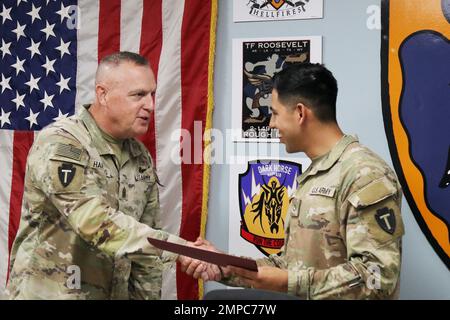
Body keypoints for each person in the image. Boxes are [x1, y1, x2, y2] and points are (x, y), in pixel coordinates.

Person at [6, 52, 212, 300]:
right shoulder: (63, 143)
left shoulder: (140, 157)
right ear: (102, 94)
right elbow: (92, 220)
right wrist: (177, 248)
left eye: (152, 94)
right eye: (138, 95)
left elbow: (145, 257)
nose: (150, 105)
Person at [191, 63, 405, 299]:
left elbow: (377, 278)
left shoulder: (364, 174)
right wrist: (226, 266)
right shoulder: (316, 175)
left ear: (300, 113)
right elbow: (291, 266)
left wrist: (289, 282)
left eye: (274, 113)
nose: (271, 124)